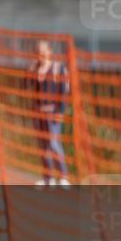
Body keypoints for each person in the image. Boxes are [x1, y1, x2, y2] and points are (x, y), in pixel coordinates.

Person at [31, 40, 71, 187]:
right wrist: (31, 69)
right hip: (39, 113)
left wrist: (60, 111)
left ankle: (64, 176)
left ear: (49, 52)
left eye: (43, 51)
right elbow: (26, 86)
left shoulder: (58, 68)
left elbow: (64, 91)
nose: (40, 54)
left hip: (53, 112)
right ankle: (48, 178)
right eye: (38, 52)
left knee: (54, 143)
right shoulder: (35, 69)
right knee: (43, 146)